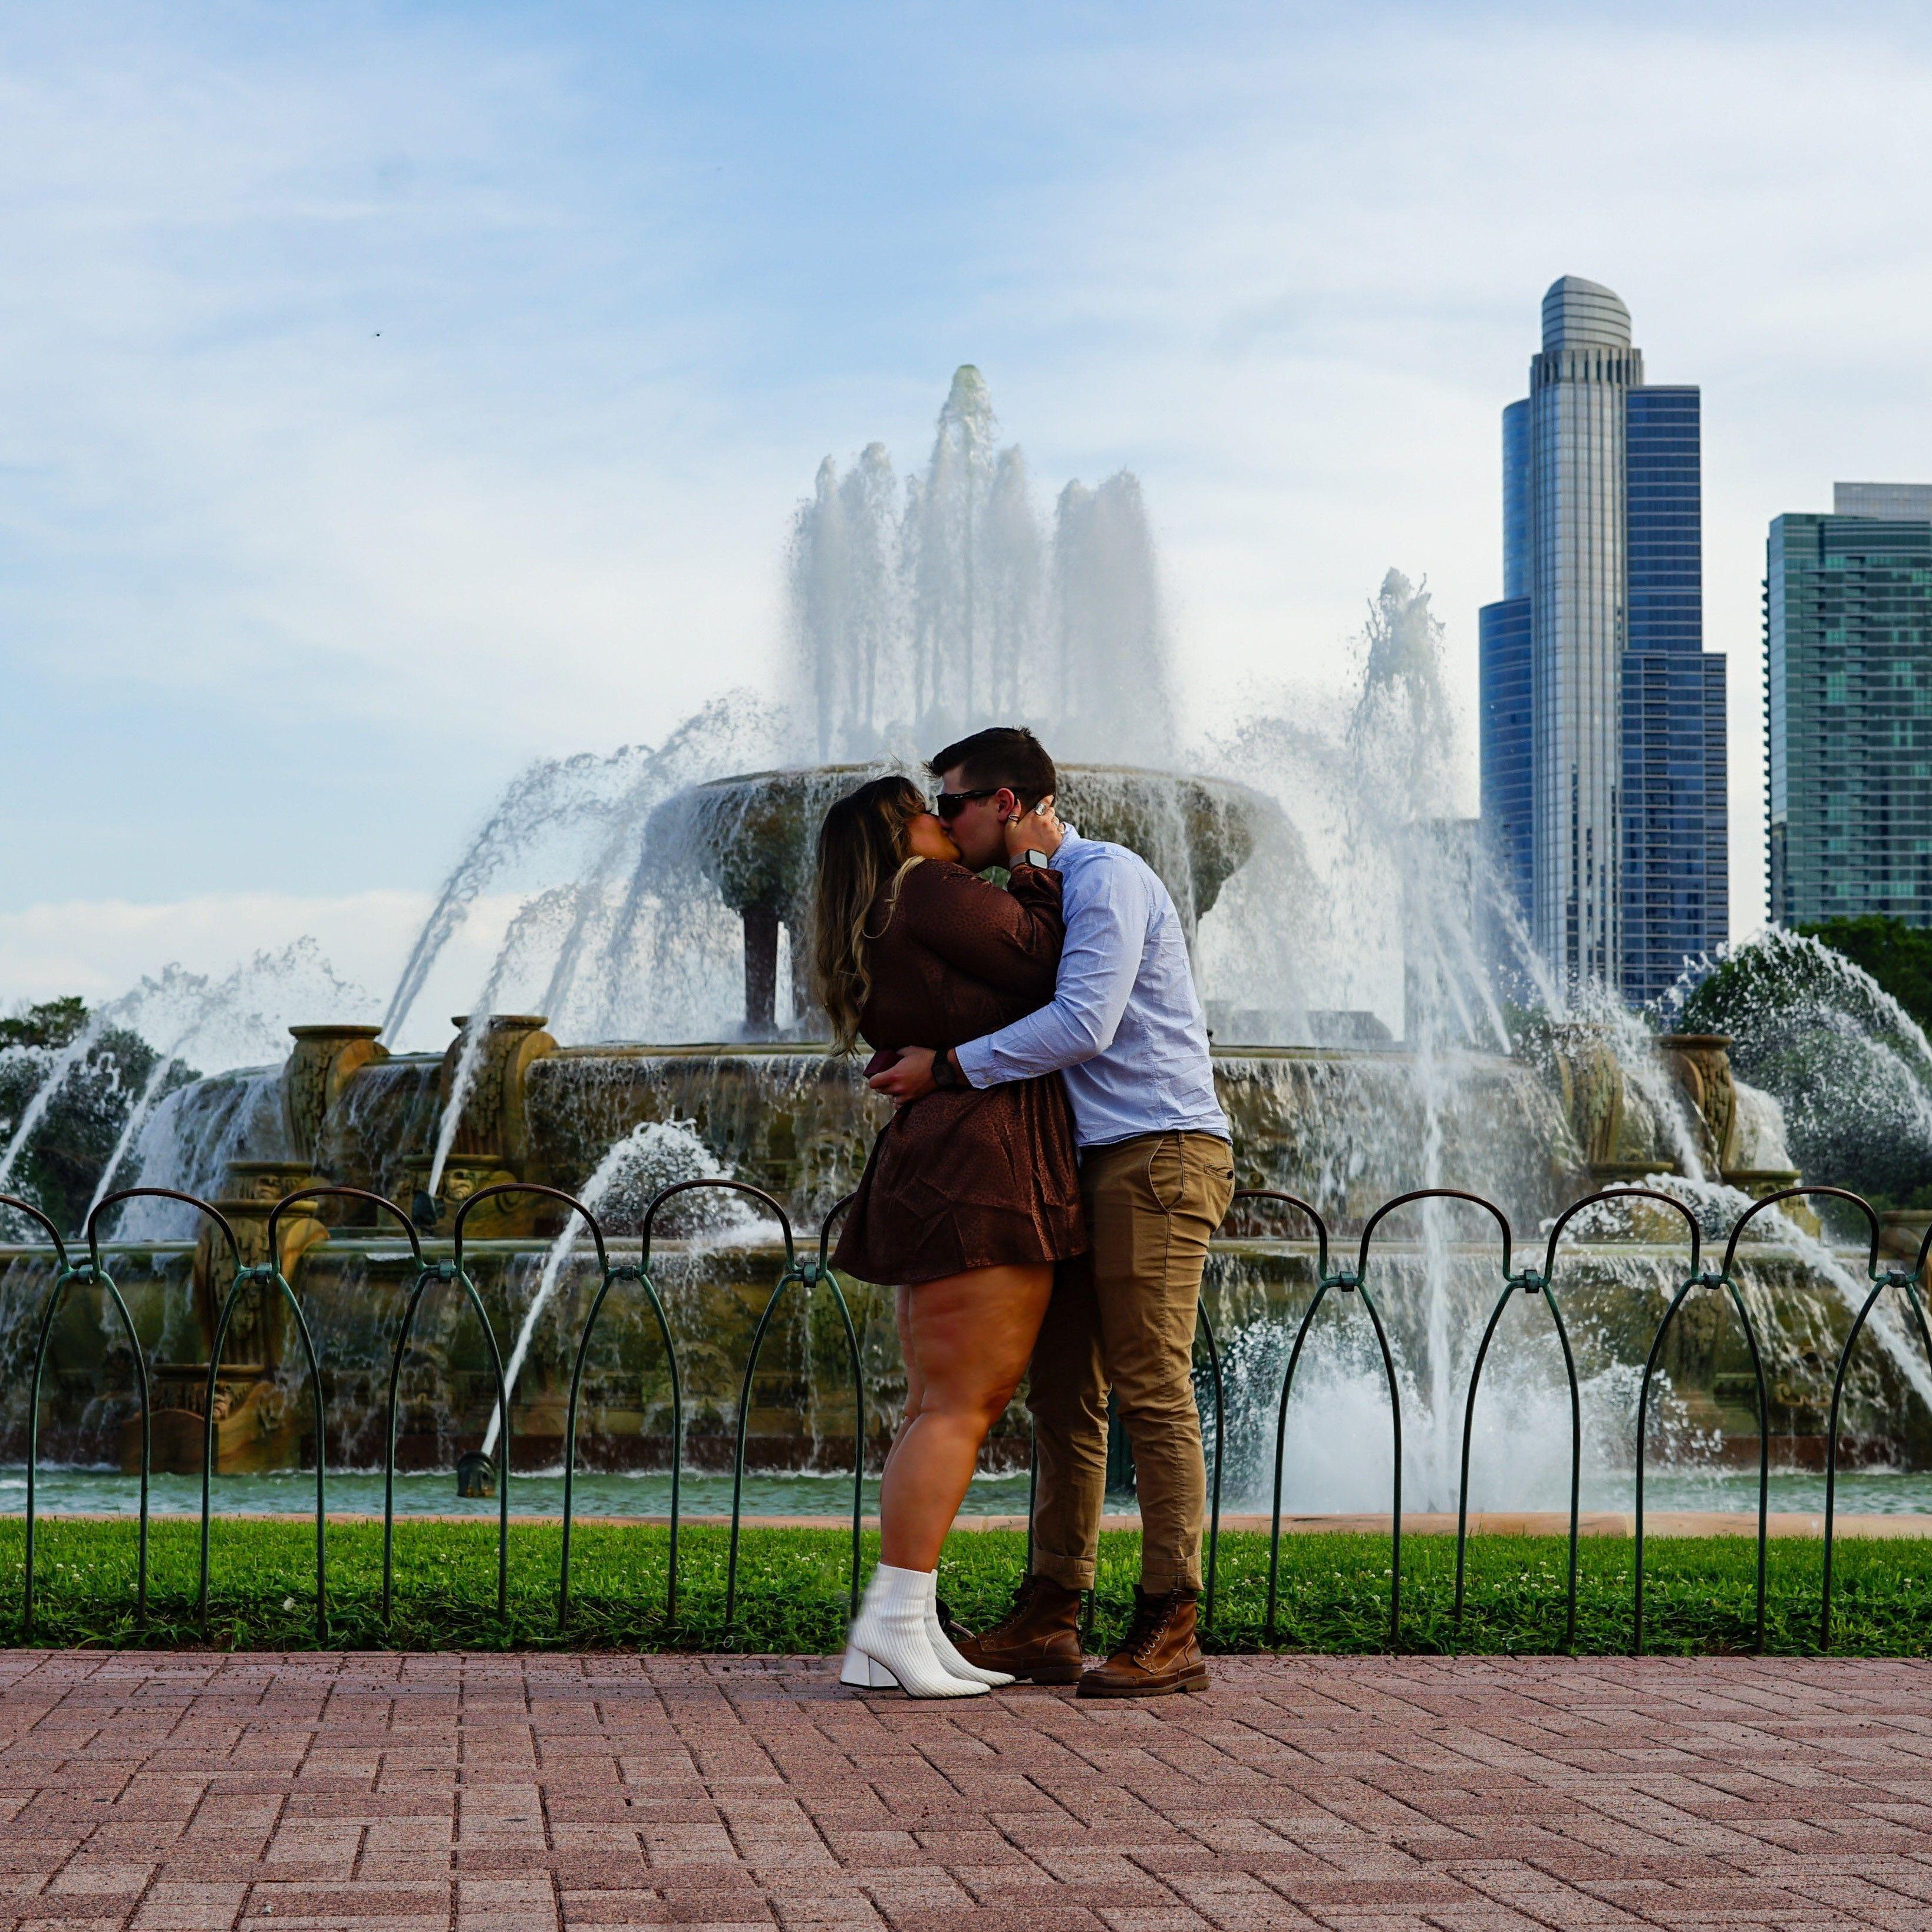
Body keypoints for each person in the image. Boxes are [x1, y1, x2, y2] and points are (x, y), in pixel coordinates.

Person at [869, 726, 1235, 1697]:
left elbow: (1086, 1023)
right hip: (1078, 1163)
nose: (939, 819)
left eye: (949, 802)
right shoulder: (1030, 898)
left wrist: (945, 1067)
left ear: (1008, 800)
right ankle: (1049, 1614)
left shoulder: (1105, 875)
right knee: (1064, 1394)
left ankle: (1172, 1620)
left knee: (1150, 1384)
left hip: (1156, 1148)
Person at [813, 773, 1083, 1697]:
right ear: (900, 836)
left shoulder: (884, 913)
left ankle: (901, 1627)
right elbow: (1046, 957)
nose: (942, 820)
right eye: (924, 812)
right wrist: (1036, 860)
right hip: (983, 1165)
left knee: (939, 1402)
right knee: (962, 1404)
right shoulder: (923, 886)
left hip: (942, 1159)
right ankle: (893, 1620)